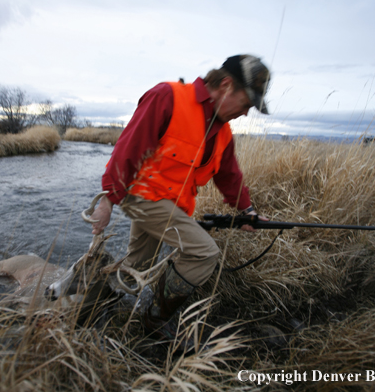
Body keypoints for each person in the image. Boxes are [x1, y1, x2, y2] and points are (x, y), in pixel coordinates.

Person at [90, 54, 271, 342]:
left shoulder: (222, 132)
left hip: (172, 205)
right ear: (226, 85)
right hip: (144, 196)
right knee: (204, 253)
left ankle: (95, 302)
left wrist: (247, 211)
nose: (247, 112)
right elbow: (129, 148)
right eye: (247, 103)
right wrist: (107, 201)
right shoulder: (168, 97)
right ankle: (156, 318)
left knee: (138, 264)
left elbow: (229, 176)